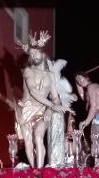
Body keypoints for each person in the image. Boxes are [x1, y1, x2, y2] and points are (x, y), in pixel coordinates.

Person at [15, 30, 66, 168]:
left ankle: (39, 170)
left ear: (42, 54)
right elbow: (33, 91)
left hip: (42, 110)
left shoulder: (50, 76)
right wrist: (51, 104)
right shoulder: (28, 71)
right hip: (26, 109)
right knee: (28, 142)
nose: (34, 55)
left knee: (38, 136)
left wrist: (50, 108)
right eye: (31, 54)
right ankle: (34, 171)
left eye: (36, 53)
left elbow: (55, 98)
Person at [75, 72, 99, 153]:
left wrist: (86, 122)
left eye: (80, 77)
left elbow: (94, 107)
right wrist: (78, 85)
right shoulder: (94, 86)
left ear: (86, 76)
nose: (79, 80)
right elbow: (84, 98)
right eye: (77, 80)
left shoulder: (91, 87)